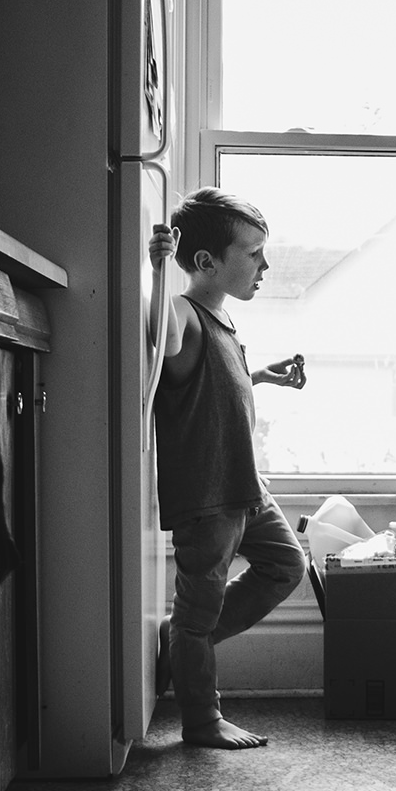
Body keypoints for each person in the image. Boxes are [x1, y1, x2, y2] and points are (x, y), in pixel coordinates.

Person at [148, 188, 308, 750]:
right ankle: (201, 718)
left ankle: (183, 644)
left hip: (244, 486)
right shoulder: (181, 312)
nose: (265, 265)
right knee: (199, 609)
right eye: (254, 253)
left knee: (286, 565)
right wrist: (159, 270)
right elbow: (162, 340)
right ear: (206, 262)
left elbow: (217, 385)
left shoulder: (220, 320)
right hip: (208, 492)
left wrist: (261, 375)